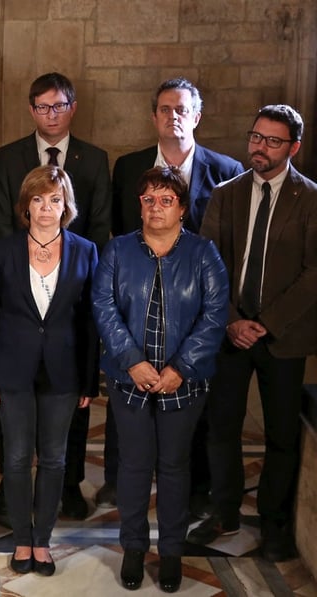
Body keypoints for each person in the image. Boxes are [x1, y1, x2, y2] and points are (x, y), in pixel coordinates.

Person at [102, 77, 243, 513]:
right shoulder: (127, 168)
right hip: (137, 306)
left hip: (195, 311)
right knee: (128, 418)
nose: (174, 116)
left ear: (197, 116)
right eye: (165, 108)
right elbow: (119, 234)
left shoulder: (226, 171)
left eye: (182, 109)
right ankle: (119, 484)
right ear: (154, 116)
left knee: (193, 414)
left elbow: (231, 245)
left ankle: (195, 493)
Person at [93, 167, 228, 592]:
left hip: (183, 381)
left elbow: (214, 316)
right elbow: (104, 306)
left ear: (182, 208)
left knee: (173, 466)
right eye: (148, 199)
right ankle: (134, 547)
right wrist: (131, 361)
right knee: (133, 466)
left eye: (166, 200)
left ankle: (171, 551)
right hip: (127, 377)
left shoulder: (204, 253)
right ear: (140, 205)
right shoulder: (117, 251)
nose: (156, 208)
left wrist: (180, 368)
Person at [194, 104, 317, 562]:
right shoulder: (226, 194)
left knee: (282, 434)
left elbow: (313, 272)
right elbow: (209, 263)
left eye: (272, 141)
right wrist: (232, 320)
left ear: (294, 147)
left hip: (284, 337)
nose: (260, 147)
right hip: (230, 333)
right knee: (221, 427)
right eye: (256, 137)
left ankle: (274, 522)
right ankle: (223, 510)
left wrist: (267, 323)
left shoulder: (311, 199)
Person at [0, 73, 110, 519]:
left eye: (59, 106)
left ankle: (70, 482)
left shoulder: (94, 159)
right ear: (31, 109)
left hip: (71, 282)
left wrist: (80, 267)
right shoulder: (8, 156)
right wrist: (19, 264)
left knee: (68, 396)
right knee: (14, 408)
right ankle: (9, 479)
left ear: (72, 107)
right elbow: (1, 216)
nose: (51, 114)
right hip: (21, 278)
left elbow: (98, 224)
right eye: (42, 106)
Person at [0, 165, 99, 576]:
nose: (46, 208)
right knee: (14, 459)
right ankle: (21, 539)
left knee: (53, 458)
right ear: (25, 205)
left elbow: (89, 321)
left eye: (54, 199)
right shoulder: (4, 250)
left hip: (64, 371)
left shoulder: (85, 250)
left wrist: (89, 379)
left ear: (65, 205)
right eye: (37, 199)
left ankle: (43, 540)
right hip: (12, 368)